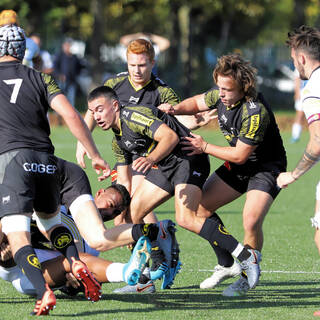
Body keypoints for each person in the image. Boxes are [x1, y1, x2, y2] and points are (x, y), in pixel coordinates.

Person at [87, 85, 261, 294]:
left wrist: (150, 158)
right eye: (92, 112)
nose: (96, 116)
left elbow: (170, 137)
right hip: (165, 165)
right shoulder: (118, 141)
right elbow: (124, 181)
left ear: (114, 105)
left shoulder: (132, 116)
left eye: (99, 109)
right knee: (132, 214)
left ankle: (246, 257)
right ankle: (144, 279)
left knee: (186, 218)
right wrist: (117, 210)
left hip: (189, 158)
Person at [0, 23, 113, 315]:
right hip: (48, 163)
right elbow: (70, 114)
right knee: (51, 225)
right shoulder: (41, 78)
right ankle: (75, 260)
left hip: (12, 162)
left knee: (18, 236)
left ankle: (43, 292)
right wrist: (95, 153)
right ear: (23, 51)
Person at [159, 53, 287, 296]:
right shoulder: (220, 95)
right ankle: (227, 263)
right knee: (200, 208)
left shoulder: (254, 111)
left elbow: (240, 155)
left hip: (266, 167)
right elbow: (197, 102)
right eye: (220, 88)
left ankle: (246, 275)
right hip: (240, 165)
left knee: (250, 219)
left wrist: (204, 146)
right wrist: (174, 109)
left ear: (243, 87)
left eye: (228, 90)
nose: (222, 94)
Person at [76, 38, 214, 226]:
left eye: (142, 65)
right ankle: (157, 243)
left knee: (134, 209)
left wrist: (195, 120)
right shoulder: (114, 84)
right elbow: (94, 110)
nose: (137, 70)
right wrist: (83, 141)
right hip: (125, 153)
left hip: (150, 156)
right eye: (132, 65)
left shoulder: (163, 92)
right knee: (121, 221)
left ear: (152, 63)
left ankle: (159, 244)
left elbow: (176, 121)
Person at [0, 183, 146, 297]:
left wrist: (73, 284)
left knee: (79, 261)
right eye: (110, 205)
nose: (109, 213)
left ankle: (126, 271)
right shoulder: (59, 203)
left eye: (116, 212)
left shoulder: (94, 242)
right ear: (99, 193)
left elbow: (80, 285)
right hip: (10, 253)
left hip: (33, 276)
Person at [275, 25, 320, 317]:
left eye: (293, 60)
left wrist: (294, 173)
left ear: (301, 58)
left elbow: (317, 142)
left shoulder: (313, 87)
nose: (294, 65)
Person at [53, 38, 83, 106]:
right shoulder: (59, 55)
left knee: (71, 101)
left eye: (69, 45)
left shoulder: (74, 57)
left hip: (72, 81)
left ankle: (69, 115)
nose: (68, 47)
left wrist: (76, 75)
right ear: (63, 46)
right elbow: (55, 68)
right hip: (61, 81)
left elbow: (80, 67)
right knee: (60, 100)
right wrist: (59, 75)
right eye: (66, 45)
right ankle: (58, 115)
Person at [290, 69, 307, 143]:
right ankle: (295, 136)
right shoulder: (299, 65)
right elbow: (297, 79)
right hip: (303, 94)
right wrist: (297, 92)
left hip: (314, 94)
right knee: (300, 115)